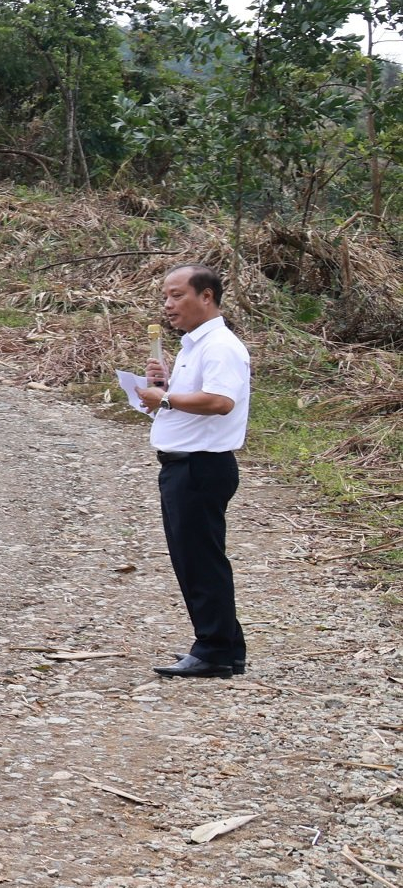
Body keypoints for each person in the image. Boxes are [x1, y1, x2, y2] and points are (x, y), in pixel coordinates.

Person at [140, 264, 252, 678]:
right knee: (193, 559)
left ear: (206, 296)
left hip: (201, 467)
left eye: (177, 295)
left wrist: (166, 400)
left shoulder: (220, 345)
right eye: (165, 297)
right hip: (185, 467)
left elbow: (222, 401)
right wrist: (168, 387)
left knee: (201, 560)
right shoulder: (195, 344)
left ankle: (217, 650)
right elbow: (200, 397)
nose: (168, 305)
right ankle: (221, 645)